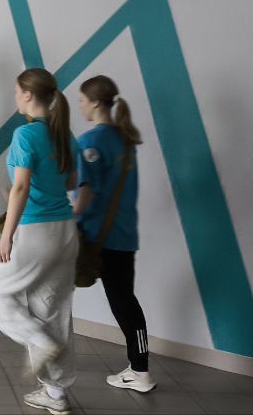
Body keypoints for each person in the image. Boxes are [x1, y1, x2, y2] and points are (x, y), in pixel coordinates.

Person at [0, 68, 78, 415]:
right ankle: (56, 394)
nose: (16, 97)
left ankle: (39, 341)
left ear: (29, 95)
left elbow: (21, 187)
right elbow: (70, 182)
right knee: (52, 311)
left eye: (17, 91)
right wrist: (32, 190)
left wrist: (6, 237)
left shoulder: (25, 134)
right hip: (65, 232)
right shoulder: (65, 134)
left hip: (36, 233)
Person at [73, 75, 154, 393]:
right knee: (125, 299)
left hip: (97, 236)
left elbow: (86, 192)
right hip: (125, 234)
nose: (80, 106)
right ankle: (139, 367)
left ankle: (140, 371)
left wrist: (67, 214)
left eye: (82, 100)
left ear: (95, 102)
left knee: (117, 302)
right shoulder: (126, 139)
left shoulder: (90, 142)